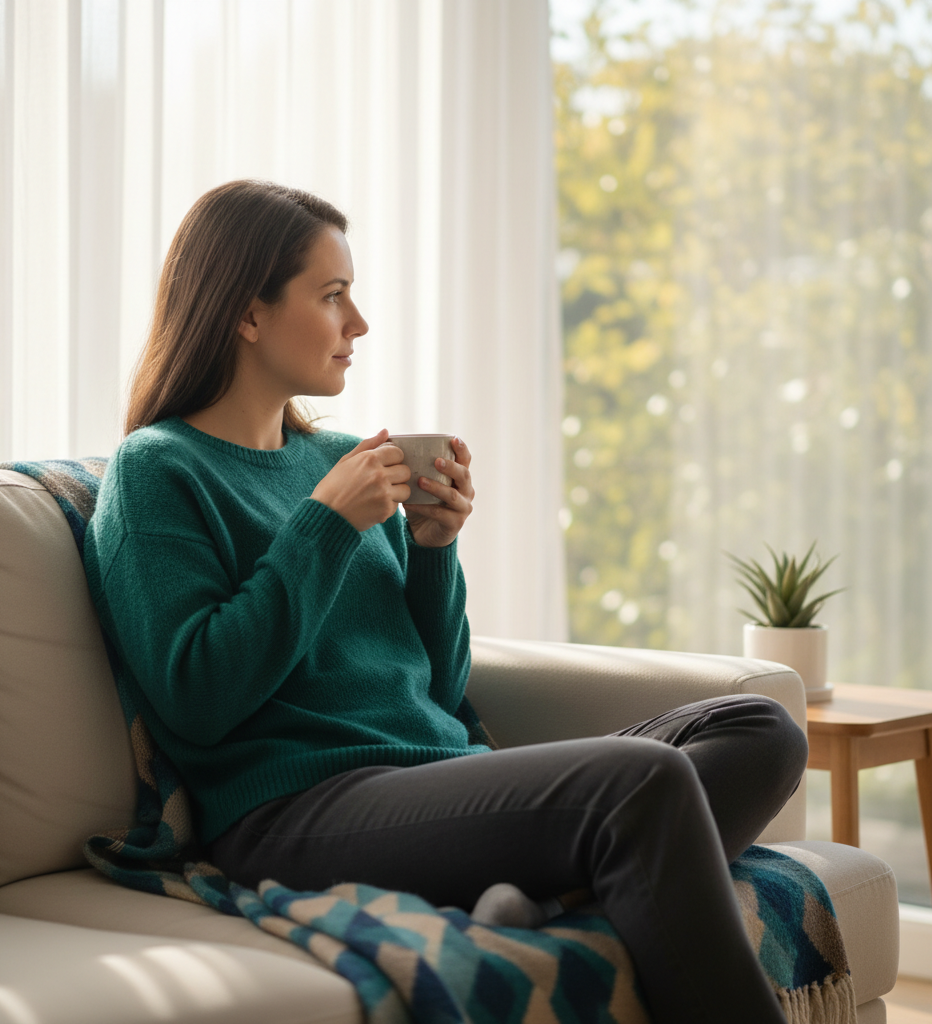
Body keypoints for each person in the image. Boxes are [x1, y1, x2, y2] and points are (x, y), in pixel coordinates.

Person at [84, 179, 807, 1023]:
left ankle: (534, 904)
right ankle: (570, 897)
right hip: (294, 815)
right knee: (640, 782)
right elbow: (197, 697)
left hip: (432, 780)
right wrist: (325, 525)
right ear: (247, 314)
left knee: (759, 730)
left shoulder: (346, 460)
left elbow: (439, 685)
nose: (359, 325)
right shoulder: (157, 471)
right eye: (333, 297)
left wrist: (433, 551)